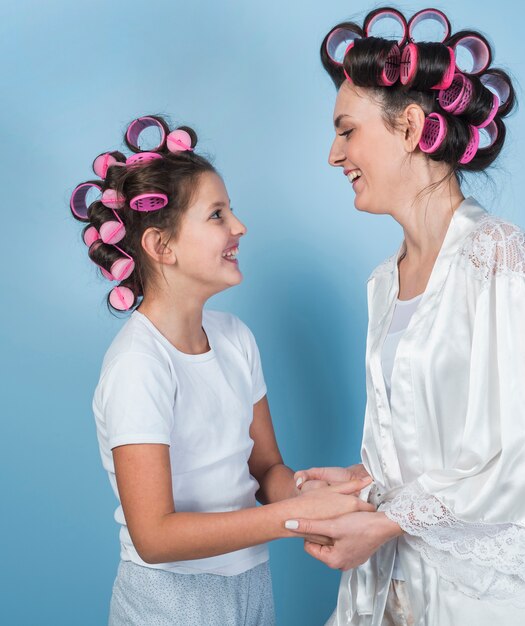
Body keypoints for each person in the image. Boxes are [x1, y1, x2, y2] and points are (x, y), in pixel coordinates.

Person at [288, 7, 525, 626]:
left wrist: (384, 520)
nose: (333, 153)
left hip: (487, 604)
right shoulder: (383, 282)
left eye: (346, 130)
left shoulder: (503, 259)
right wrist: (364, 484)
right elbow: (433, 448)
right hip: (396, 596)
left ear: (408, 126)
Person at [69, 115, 374, 626]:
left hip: (250, 585)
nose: (239, 227)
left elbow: (266, 469)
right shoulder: (139, 365)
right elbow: (155, 535)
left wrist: (307, 498)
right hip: (167, 600)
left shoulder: (235, 338)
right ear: (161, 248)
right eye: (217, 215)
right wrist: (289, 520)